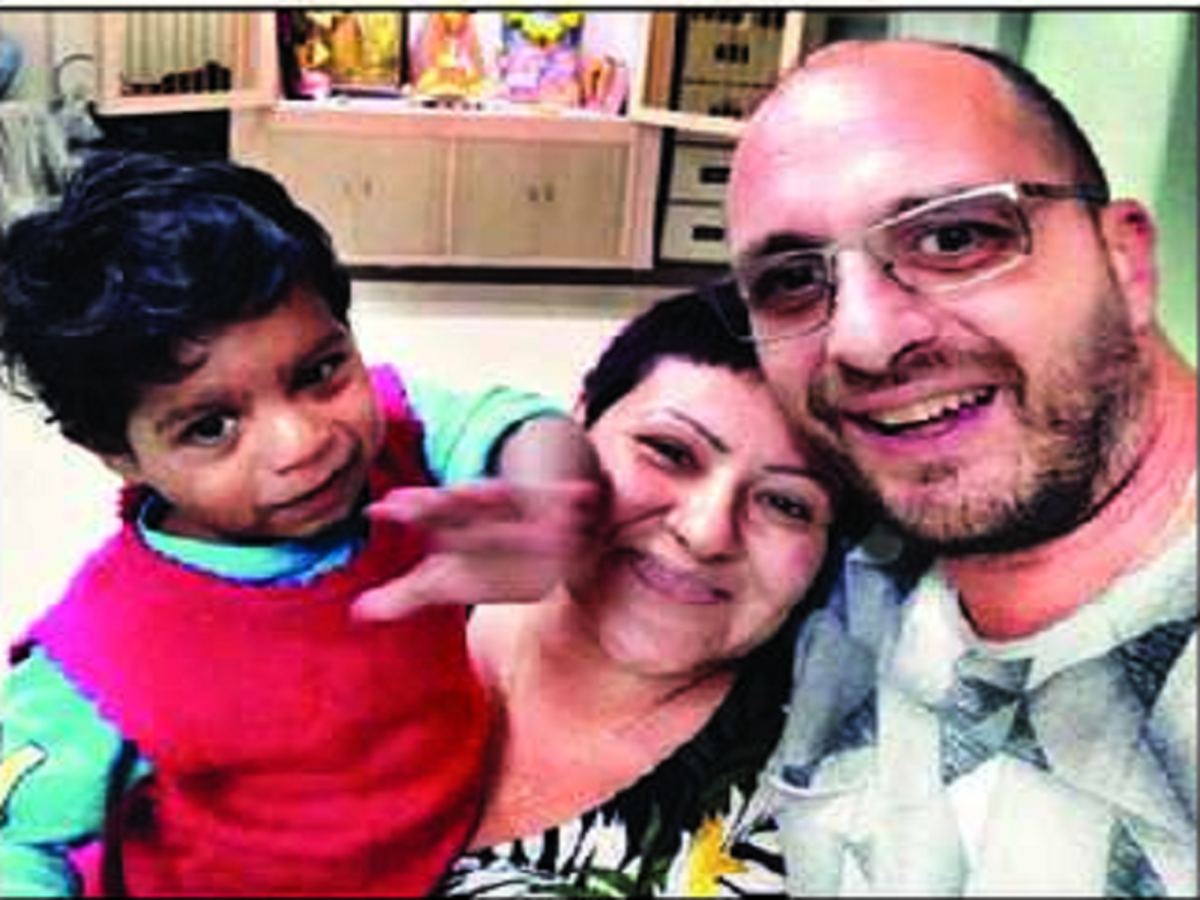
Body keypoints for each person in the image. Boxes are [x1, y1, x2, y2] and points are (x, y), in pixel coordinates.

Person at [0, 150, 603, 897]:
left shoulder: (400, 433)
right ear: (117, 454)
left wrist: (548, 500)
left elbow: (514, 417)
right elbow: (20, 844)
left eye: (319, 373)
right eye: (212, 426)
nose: (303, 442)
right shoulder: (97, 658)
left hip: (454, 843)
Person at [723, 38, 1196, 895]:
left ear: (1125, 262)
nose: (864, 341)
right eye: (792, 281)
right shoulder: (839, 572)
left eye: (953, 238)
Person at [362, 283, 861, 895]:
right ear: (576, 425)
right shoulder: (368, 584)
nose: (706, 532)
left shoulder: (825, 808)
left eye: (786, 504)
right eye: (669, 451)